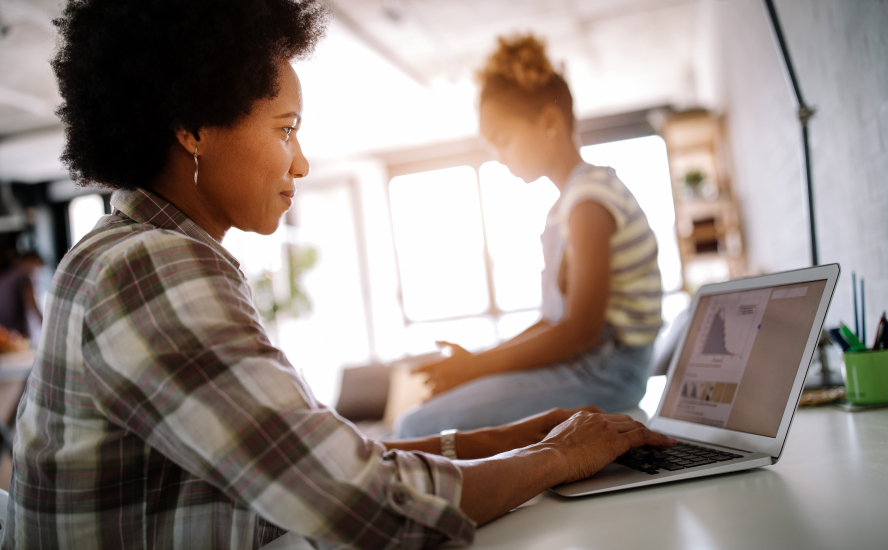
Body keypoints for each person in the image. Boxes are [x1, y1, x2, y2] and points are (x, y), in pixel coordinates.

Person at [3, 3, 674, 549]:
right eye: (286, 129)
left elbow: (302, 460)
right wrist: (560, 459)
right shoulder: (150, 269)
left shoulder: (127, 250)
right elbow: (357, 501)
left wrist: (509, 437)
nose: (300, 164)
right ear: (193, 129)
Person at [395, 35, 663, 438]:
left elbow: (580, 331)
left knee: (419, 425)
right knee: (422, 419)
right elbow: (553, 321)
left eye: (502, 140)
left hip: (607, 374)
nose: (499, 157)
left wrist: (479, 367)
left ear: (550, 123)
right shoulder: (568, 206)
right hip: (587, 364)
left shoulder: (590, 201)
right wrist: (479, 361)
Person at [0, 250, 44, 343]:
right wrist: (46, 325)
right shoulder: (24, 275)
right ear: (30, 260)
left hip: (5, 332)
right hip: (19, 333)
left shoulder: (7, 275)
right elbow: (33, 304)